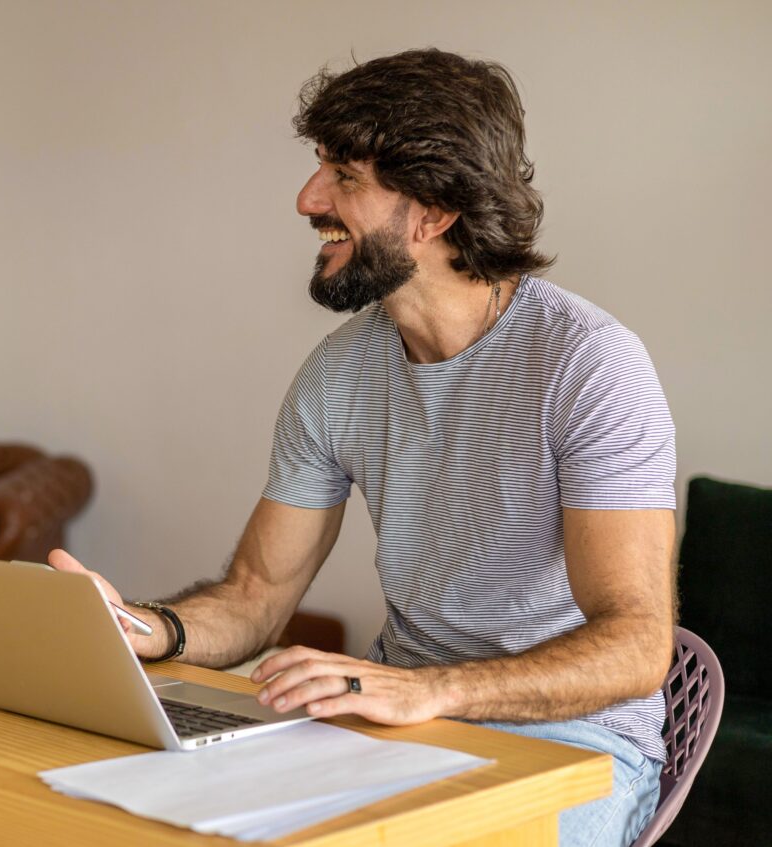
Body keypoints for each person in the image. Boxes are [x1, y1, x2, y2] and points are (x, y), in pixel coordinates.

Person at [51, 47, 676, 847]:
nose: (308, 198)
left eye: (345, 174)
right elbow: (254, 596)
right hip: (393, 728)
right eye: (320, 167)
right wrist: (148, 627)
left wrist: (430, 690)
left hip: (578, 747)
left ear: (435, 210)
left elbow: (636, 644)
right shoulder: (339, 372)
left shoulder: (588, 363)